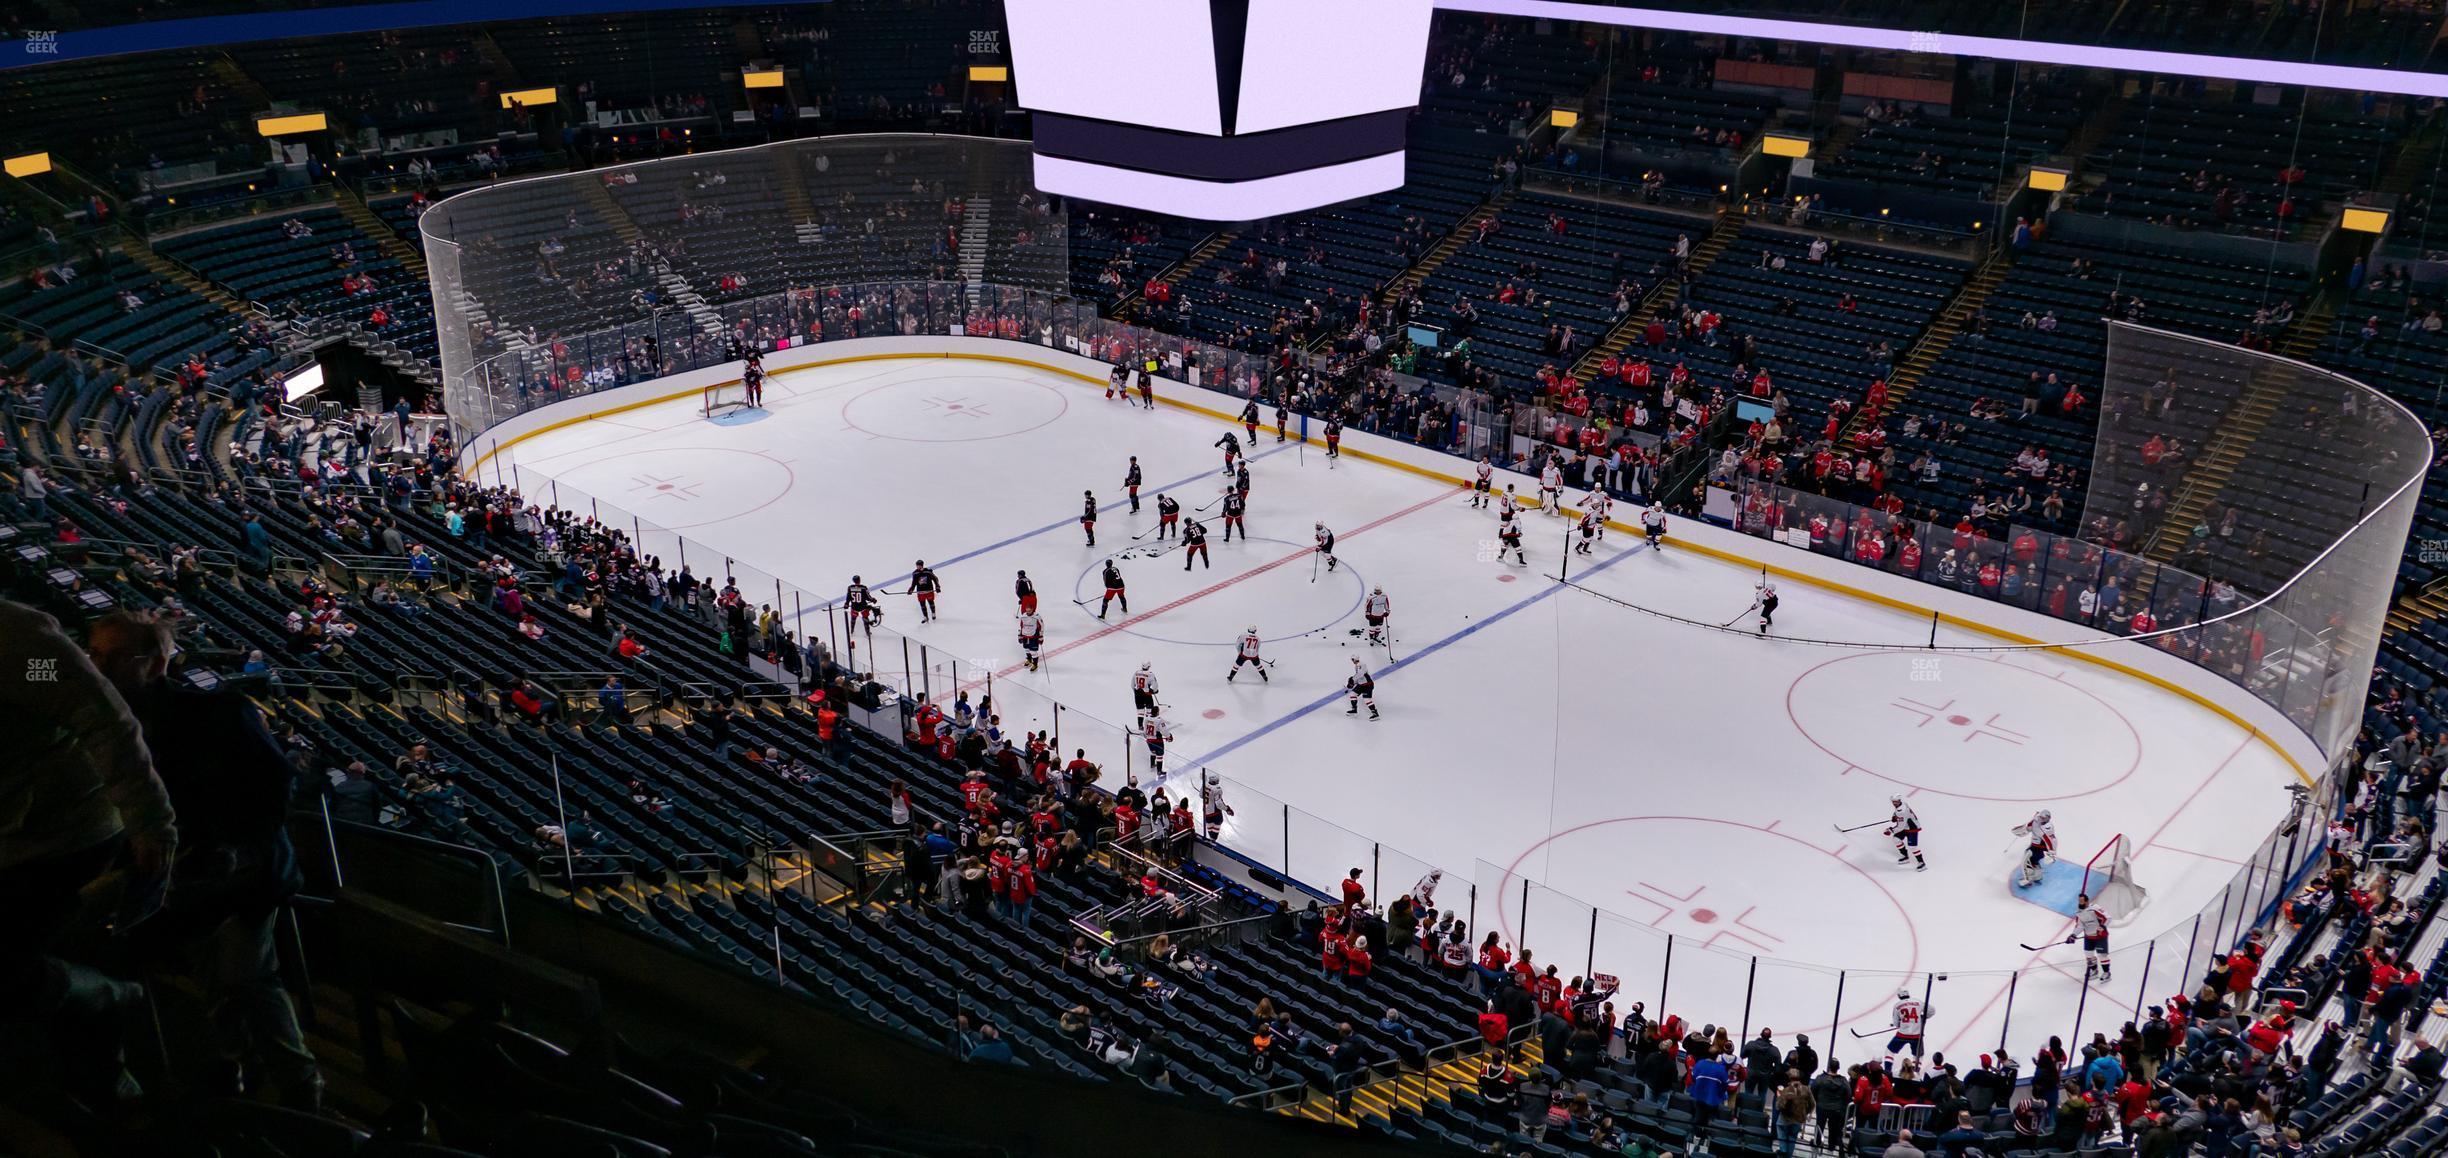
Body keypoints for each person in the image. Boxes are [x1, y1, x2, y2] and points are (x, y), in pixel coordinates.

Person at [88, 610, 321, 1106]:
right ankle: (238, 1069)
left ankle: (300, 1088)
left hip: (247, 871)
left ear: (154, 665)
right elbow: (35, 665)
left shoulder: (220, 713)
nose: (96, 666)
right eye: (92, 654)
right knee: (215, 976)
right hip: (180, 875)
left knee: (244, 978)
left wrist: (236, 851)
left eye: (111, 657)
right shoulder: (103, 716)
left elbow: (275, 790)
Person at [0, 599, 178, 1106]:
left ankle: (108, 999)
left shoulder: (18, 647)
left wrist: (151, 823)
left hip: (59, 833)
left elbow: (96, 709)